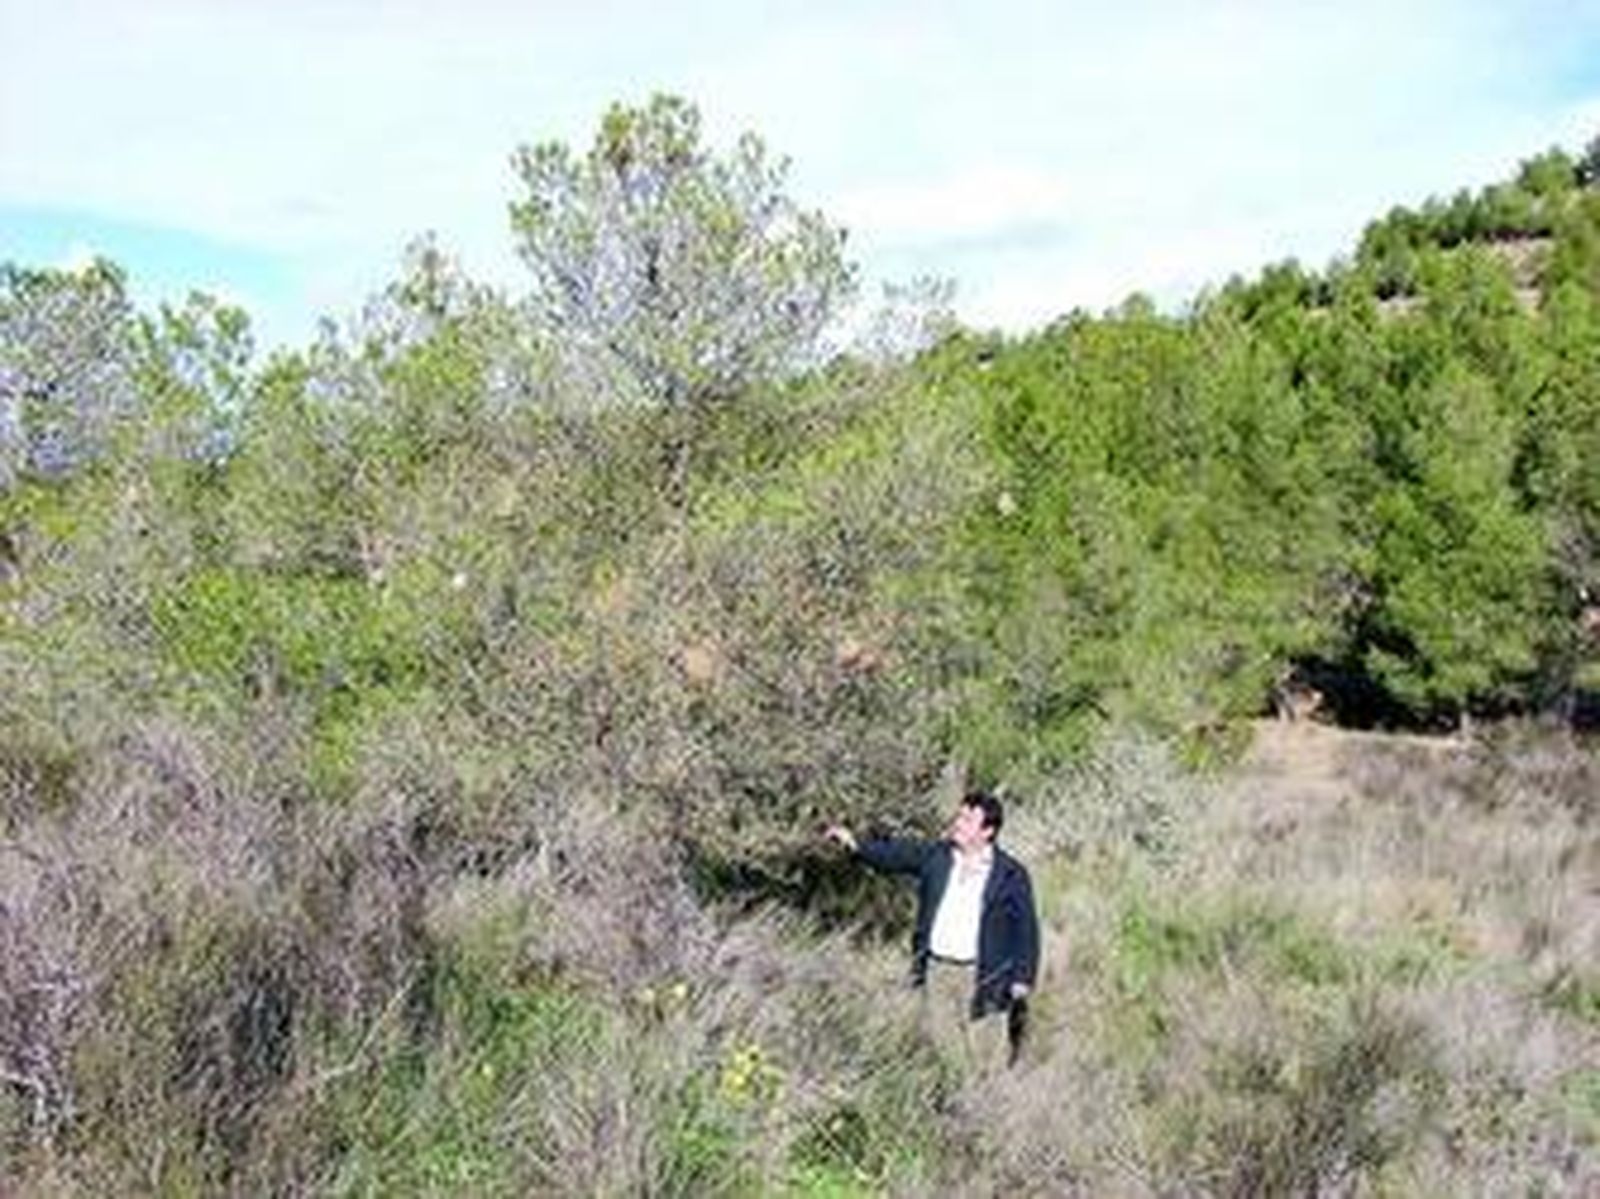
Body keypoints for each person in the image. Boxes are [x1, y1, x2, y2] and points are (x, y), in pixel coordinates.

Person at [825, 789, 1040, 1071]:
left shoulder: (1011, 873)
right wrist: (856, 845)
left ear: (987, 831)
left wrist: (1023, 976)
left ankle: (994, 1104)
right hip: (938, 970)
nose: (957, 824)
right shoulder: (937, 856)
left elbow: (1026, 928)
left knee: (986, 1052)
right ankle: (963, 1102)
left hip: (985, 973)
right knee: (946, 1049)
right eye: (959, 817)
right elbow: (895, 856)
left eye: (967, 820)